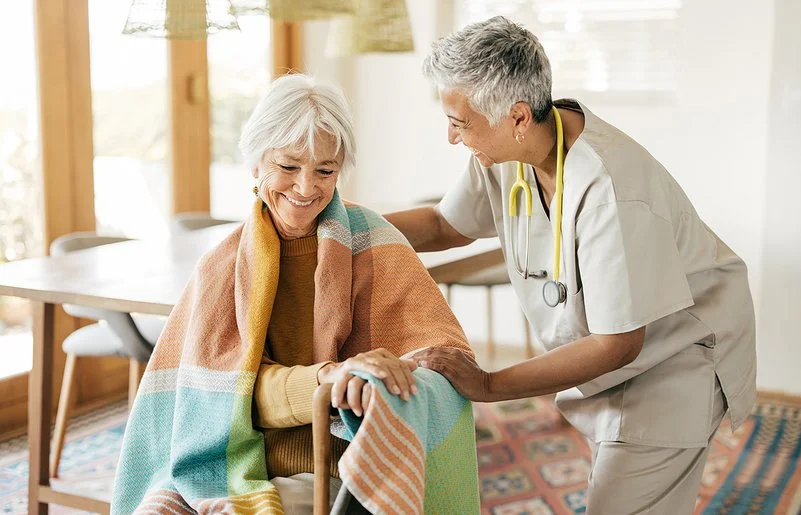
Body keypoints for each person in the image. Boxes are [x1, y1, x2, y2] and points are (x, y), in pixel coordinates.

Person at [386, 16, 756, 514]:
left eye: (459, 123)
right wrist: (345, 224)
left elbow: (619, 341)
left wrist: (490, 385)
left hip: (675, 363)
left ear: (517, 117)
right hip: (612, 357)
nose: (452, 137)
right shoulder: (511, 150)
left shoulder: (611, 190)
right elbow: (442, 224)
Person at [112, 74, 474, 515]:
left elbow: (445, 356)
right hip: (224, 460)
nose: (306, 188)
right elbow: (220, 398)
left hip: (336, 461)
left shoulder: (376, 241)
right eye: (288, 167)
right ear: (256, 163)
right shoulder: (220, 266)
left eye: (325, 170)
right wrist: (327, 378)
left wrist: (387, 375)